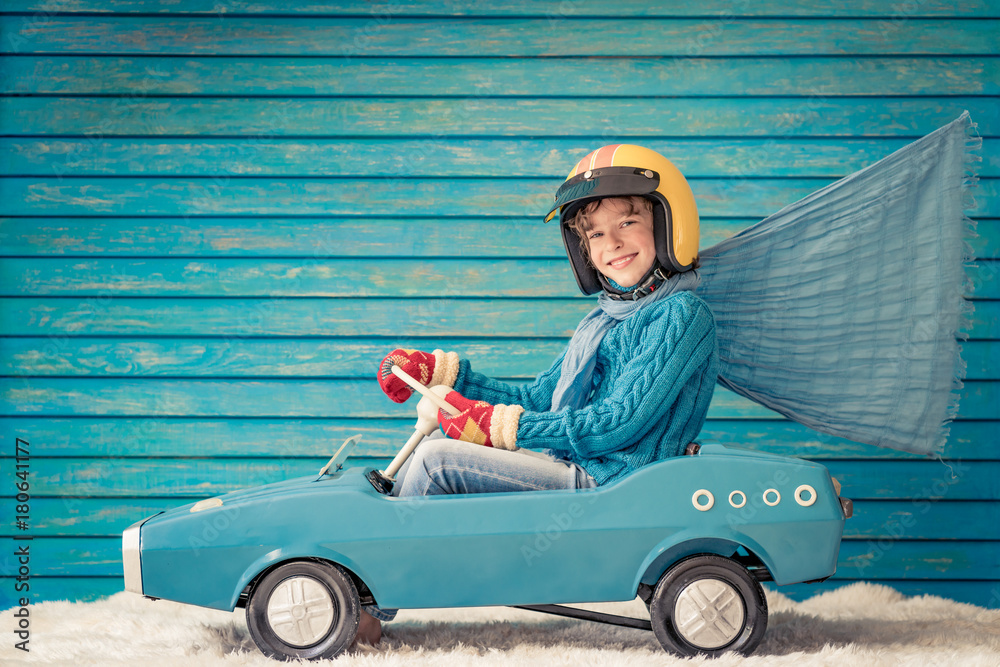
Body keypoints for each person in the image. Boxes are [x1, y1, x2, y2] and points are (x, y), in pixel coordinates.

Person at [358, 145, 719, 643]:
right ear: (582, 251)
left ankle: (368, 608)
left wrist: (500, 426)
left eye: (627, 222)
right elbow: (541, 396)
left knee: (437, 461)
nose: (611, 242)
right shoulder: (602, 321)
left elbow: (620, 422)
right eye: (594, 234)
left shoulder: (680, 315)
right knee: (436, 454)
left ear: (666, 224)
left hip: (615, 482)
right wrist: (446, 377)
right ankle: (386, 577)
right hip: (586, 468)